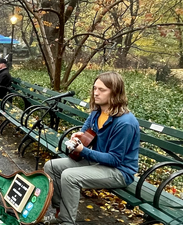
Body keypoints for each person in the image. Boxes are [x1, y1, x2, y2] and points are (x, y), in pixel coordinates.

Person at [43, 72, 140, 225]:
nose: (96, 93)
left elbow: (115, 159)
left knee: (69, 176)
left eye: (102, 90)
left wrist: (84, 150)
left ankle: (66, 222)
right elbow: (85, 136)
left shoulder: (125, 123)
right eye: (95, 88)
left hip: (119, 171)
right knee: (51, 166)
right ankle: (60, 212)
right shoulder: (97, 112)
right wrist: (76, 139)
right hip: (97, 162)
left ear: (115, 92)